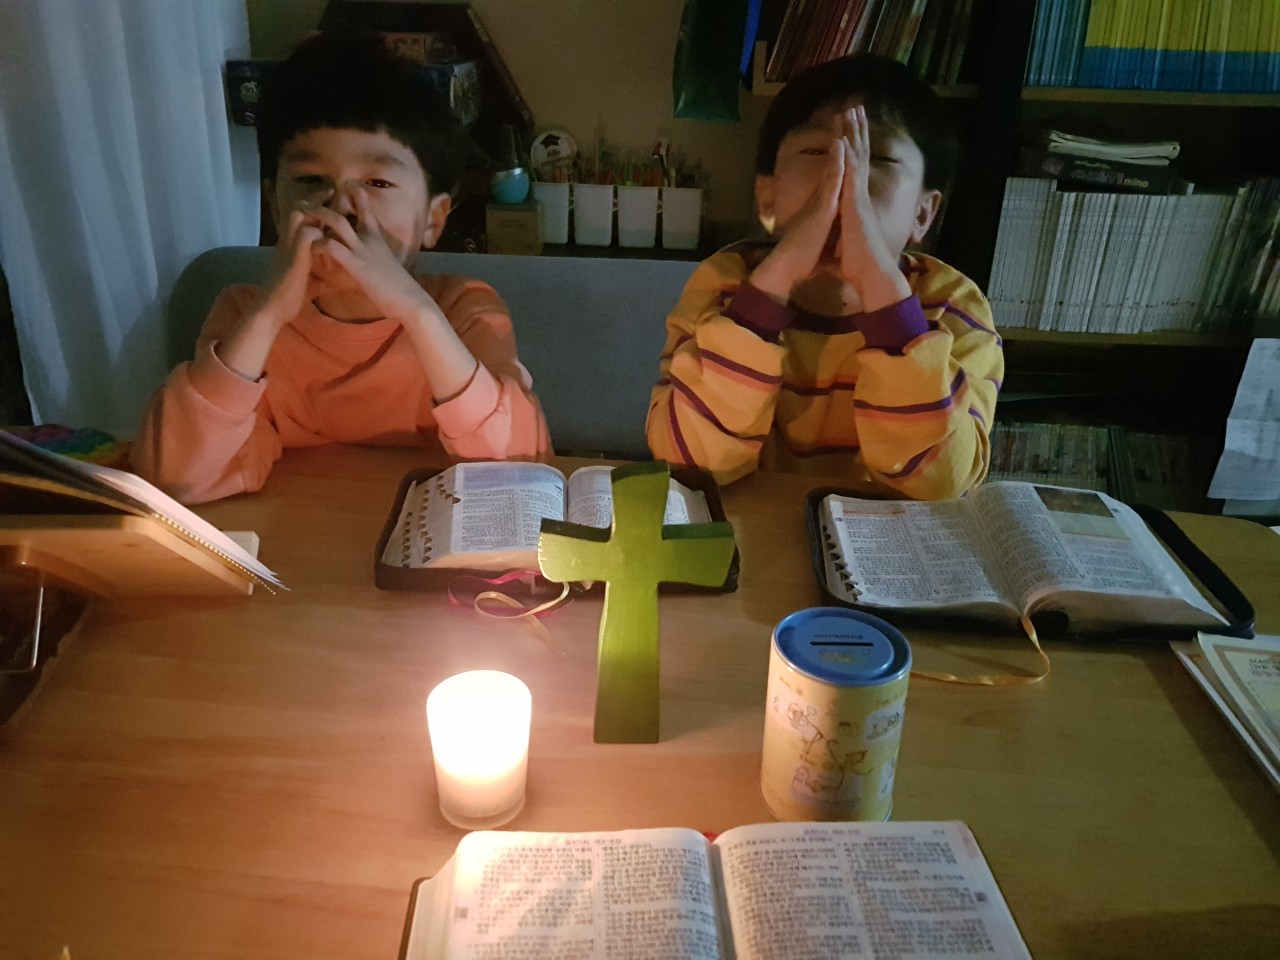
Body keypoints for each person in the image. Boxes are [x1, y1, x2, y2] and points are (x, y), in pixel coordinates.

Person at [132, 33, 549, 504]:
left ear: (433, 219)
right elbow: (175, 478)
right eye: (311, 179)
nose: (343, 206)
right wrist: (267, 316)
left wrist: (417, 313)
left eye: (378, 182)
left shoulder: (465, 310)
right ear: (275, 207)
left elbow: (521, 470)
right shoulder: (246, 316)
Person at [646, 54, 1002, 500]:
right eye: (818, 153)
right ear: (767, 198)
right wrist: (766, 295)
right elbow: (688, 464)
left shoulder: (952, 305)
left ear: (922, 213)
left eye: (878, 157)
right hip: (752, 529)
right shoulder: (724, 286)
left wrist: (885, 298)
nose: (845, 179)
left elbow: (940, 484)